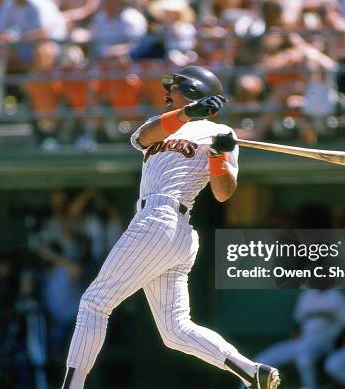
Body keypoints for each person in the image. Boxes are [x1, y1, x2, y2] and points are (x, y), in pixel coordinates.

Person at [60, 65, 280, 389]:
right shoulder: (161, 126)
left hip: (164, 219)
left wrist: (219, 156)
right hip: (164, 229)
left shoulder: (222, 134)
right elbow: (142, 137)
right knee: (175, 330)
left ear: (192, 90)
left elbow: (222, 193)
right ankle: (250, 371)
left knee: (94, 302)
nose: (166, 93)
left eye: (173, 88)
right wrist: (189, 113)